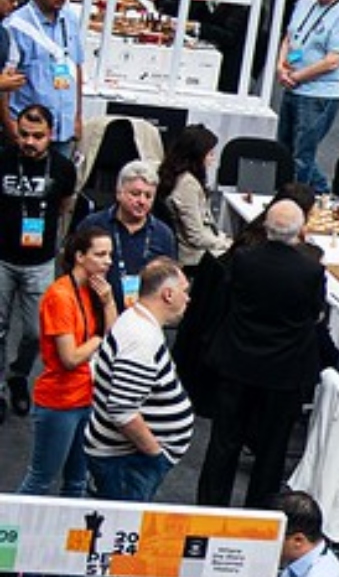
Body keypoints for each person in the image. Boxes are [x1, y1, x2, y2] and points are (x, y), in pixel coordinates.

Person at [196, 200, 326, 508]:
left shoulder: (243, 260)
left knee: (224, 443)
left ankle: (210, 508)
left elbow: (229, 302)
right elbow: (313, 315)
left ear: (266, 227)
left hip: (238, 364)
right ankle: (260, 515)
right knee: (272, 450)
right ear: (301, 231)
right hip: (283, 373)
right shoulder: (311, 272)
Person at [84, 258, 192, 501]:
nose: (188, 298)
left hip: (124, 458)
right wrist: (155, 455)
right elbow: (122, 410)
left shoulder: (135, 320)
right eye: (184, 291)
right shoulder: (141, 339)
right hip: (127, 462)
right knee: (120, 530)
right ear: (167, 294)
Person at [19, 225, 112, 497]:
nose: (107, 261)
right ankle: (7, 536)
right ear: (80, 256)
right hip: (60, 402)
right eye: (100, 254)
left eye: (109, 254)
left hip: (86, 397)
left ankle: (69, 540)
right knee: (40, 480)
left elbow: (113, 335)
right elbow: (70, 358)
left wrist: (107, 303)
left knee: (76, 482)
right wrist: (99, 339)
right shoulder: (60, 296)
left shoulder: (94, 290)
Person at [0, 104, 79, 415]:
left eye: (38, 136)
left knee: (35, 332)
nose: (29, 142)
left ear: (51, 135)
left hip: (40, 262)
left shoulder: (62, 168)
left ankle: (18, 374)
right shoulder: (3, 159)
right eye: (24, 135)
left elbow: (64, 207)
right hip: (2, 258)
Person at [275, 0, 339, 192]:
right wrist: (281, 66)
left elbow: (333, 61)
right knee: (285, 147)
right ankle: (320, 190)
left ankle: (298, 197)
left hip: (318, 94)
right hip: (292, 86)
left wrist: (298, 76)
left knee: (302, 153)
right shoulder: (305, 2)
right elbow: (289, 37)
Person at [3, 0, 83, 158]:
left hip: (63, 128)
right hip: (28, 131)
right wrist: (9, 124)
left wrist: (77, 117)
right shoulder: (15, 25)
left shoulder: (70, 19)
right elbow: (4, 82)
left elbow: (77, 68)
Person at [79, 161, 174, 311]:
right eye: (135, 194)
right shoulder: (93, 224)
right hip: (94, 310)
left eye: (148, 196)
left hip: (143, 317)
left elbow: (169, 282)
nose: (142, 201)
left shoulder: (163, 234)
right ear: (119, 193)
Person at [158, 125, 230, 268]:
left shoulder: (180, 177)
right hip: (195, 256)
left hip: (204, 246)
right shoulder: (187, 185)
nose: (212, 159)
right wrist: (226, 244)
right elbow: (196, 236)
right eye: (209, 154)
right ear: (196, 156)